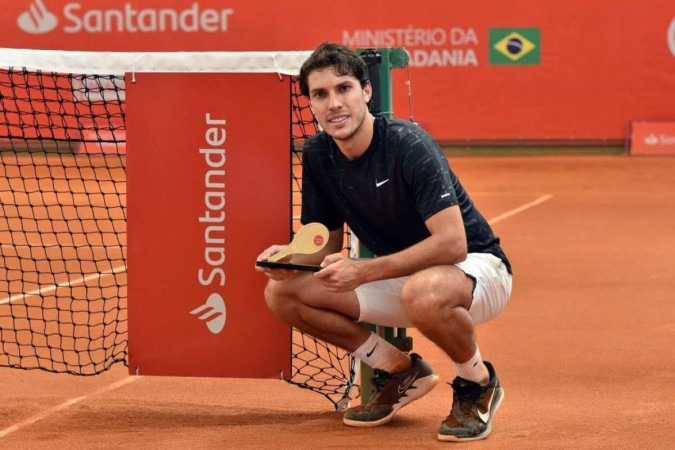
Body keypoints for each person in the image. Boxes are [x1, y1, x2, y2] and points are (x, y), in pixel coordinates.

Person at [255, 41, 512, 443]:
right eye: (320, 94)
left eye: (344, 89)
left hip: (476, 272)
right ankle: (399, 370)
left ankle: (477, 382)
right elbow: (326, 242)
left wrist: (364, 270)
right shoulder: (319, 153)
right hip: (403, 277)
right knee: (283, 293)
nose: (334, 103)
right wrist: (289, 259)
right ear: (310, 103)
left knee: (422, 293)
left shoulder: (408, 144)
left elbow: (452, 245)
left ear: (366, 92)